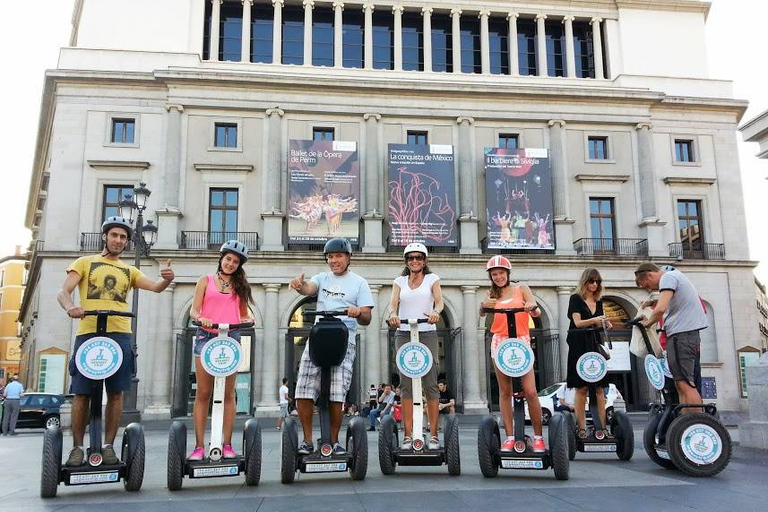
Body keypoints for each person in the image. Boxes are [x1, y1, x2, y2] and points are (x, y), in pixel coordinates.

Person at [58, 216, 174, 466]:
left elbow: (155, 287)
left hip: (120, 334)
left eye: (123, 237)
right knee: (81, 393)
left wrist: (166, 278)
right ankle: (77, 448)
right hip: (88, 332)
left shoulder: (129, 270)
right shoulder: (84, 262)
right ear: (105, 236)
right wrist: (71, 307)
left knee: (116, 393)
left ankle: (109, 446)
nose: (119, 241)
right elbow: (63, 291)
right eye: (115, 235)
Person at [289, 237, 374, 455]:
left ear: (348, 258)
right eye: (330, 257)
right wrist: (300, 286)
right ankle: (307, 440)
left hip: (344, 340)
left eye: (338, 256)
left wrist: (358, 312)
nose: (334, 260)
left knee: (337, 392)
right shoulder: (322, 278)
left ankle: (334, 441)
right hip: (319, 338)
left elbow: (367, 317)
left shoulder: (359, 283)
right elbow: (309, 288)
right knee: (303, 390)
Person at [188, 240, 254, 461]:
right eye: (228, 259)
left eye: (235, 262)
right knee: (203, 394)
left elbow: (243, 314)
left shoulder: (241, 287)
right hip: (206, 337)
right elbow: (193, 311)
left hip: (230, 339)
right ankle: (198, 447)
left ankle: (227, 444)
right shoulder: (204, 281)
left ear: (239, 265)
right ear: (221, 258)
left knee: (228, 394)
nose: (231, 264)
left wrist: (248, 318)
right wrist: (201, 318)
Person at [480, 255, 545, 452]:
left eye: (501, 273)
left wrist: (532, 308)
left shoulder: (521, 288)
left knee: (530, 391)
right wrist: (483, 306)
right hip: (500, 341)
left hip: (521, 341)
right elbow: (482, 311)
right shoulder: (492, 295)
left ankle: (538, 437)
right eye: (494, 274)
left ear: (508, 273)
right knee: (505, 391)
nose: (498, 277)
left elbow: (537, 311)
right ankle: (509, 437)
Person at [387, 242, 444, 450]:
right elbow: (393, 305)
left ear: (425, 260)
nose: (415, 261)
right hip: (404, 332)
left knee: (430, 382)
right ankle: (408, 435)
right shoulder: (399, 281)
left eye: (419, 257)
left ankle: (434, 434)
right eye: (411, 257)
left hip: (427, 332)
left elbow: (439, 302)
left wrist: (436, 312)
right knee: (406, 384)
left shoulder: (432, 279)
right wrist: (393, 315)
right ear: (406, 261)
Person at [634, 263, 708, 409]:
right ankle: (686, 421)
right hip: (680, 335)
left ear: (650, 274)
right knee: (680, 383)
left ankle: (696, 420)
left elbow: (661, 308)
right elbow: (670, 302)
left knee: (686, 383)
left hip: (682, 335)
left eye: (646, 285)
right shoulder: (674, 278)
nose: (649, 289)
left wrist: (648, 323)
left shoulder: (668, 278)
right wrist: (652, 302)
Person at [566, 268, 613, 439]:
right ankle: (581, 427)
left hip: (594, 343)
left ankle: (602, 427)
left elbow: (597, 323)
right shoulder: (576, 299)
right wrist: (595, 320)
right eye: (591, 281)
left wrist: (605, 324)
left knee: (600, 387)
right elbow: (577, 323)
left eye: (597, 282)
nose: (595, 284)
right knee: (582, 387)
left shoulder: (599, 301)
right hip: (578, 343)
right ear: (585, 282)